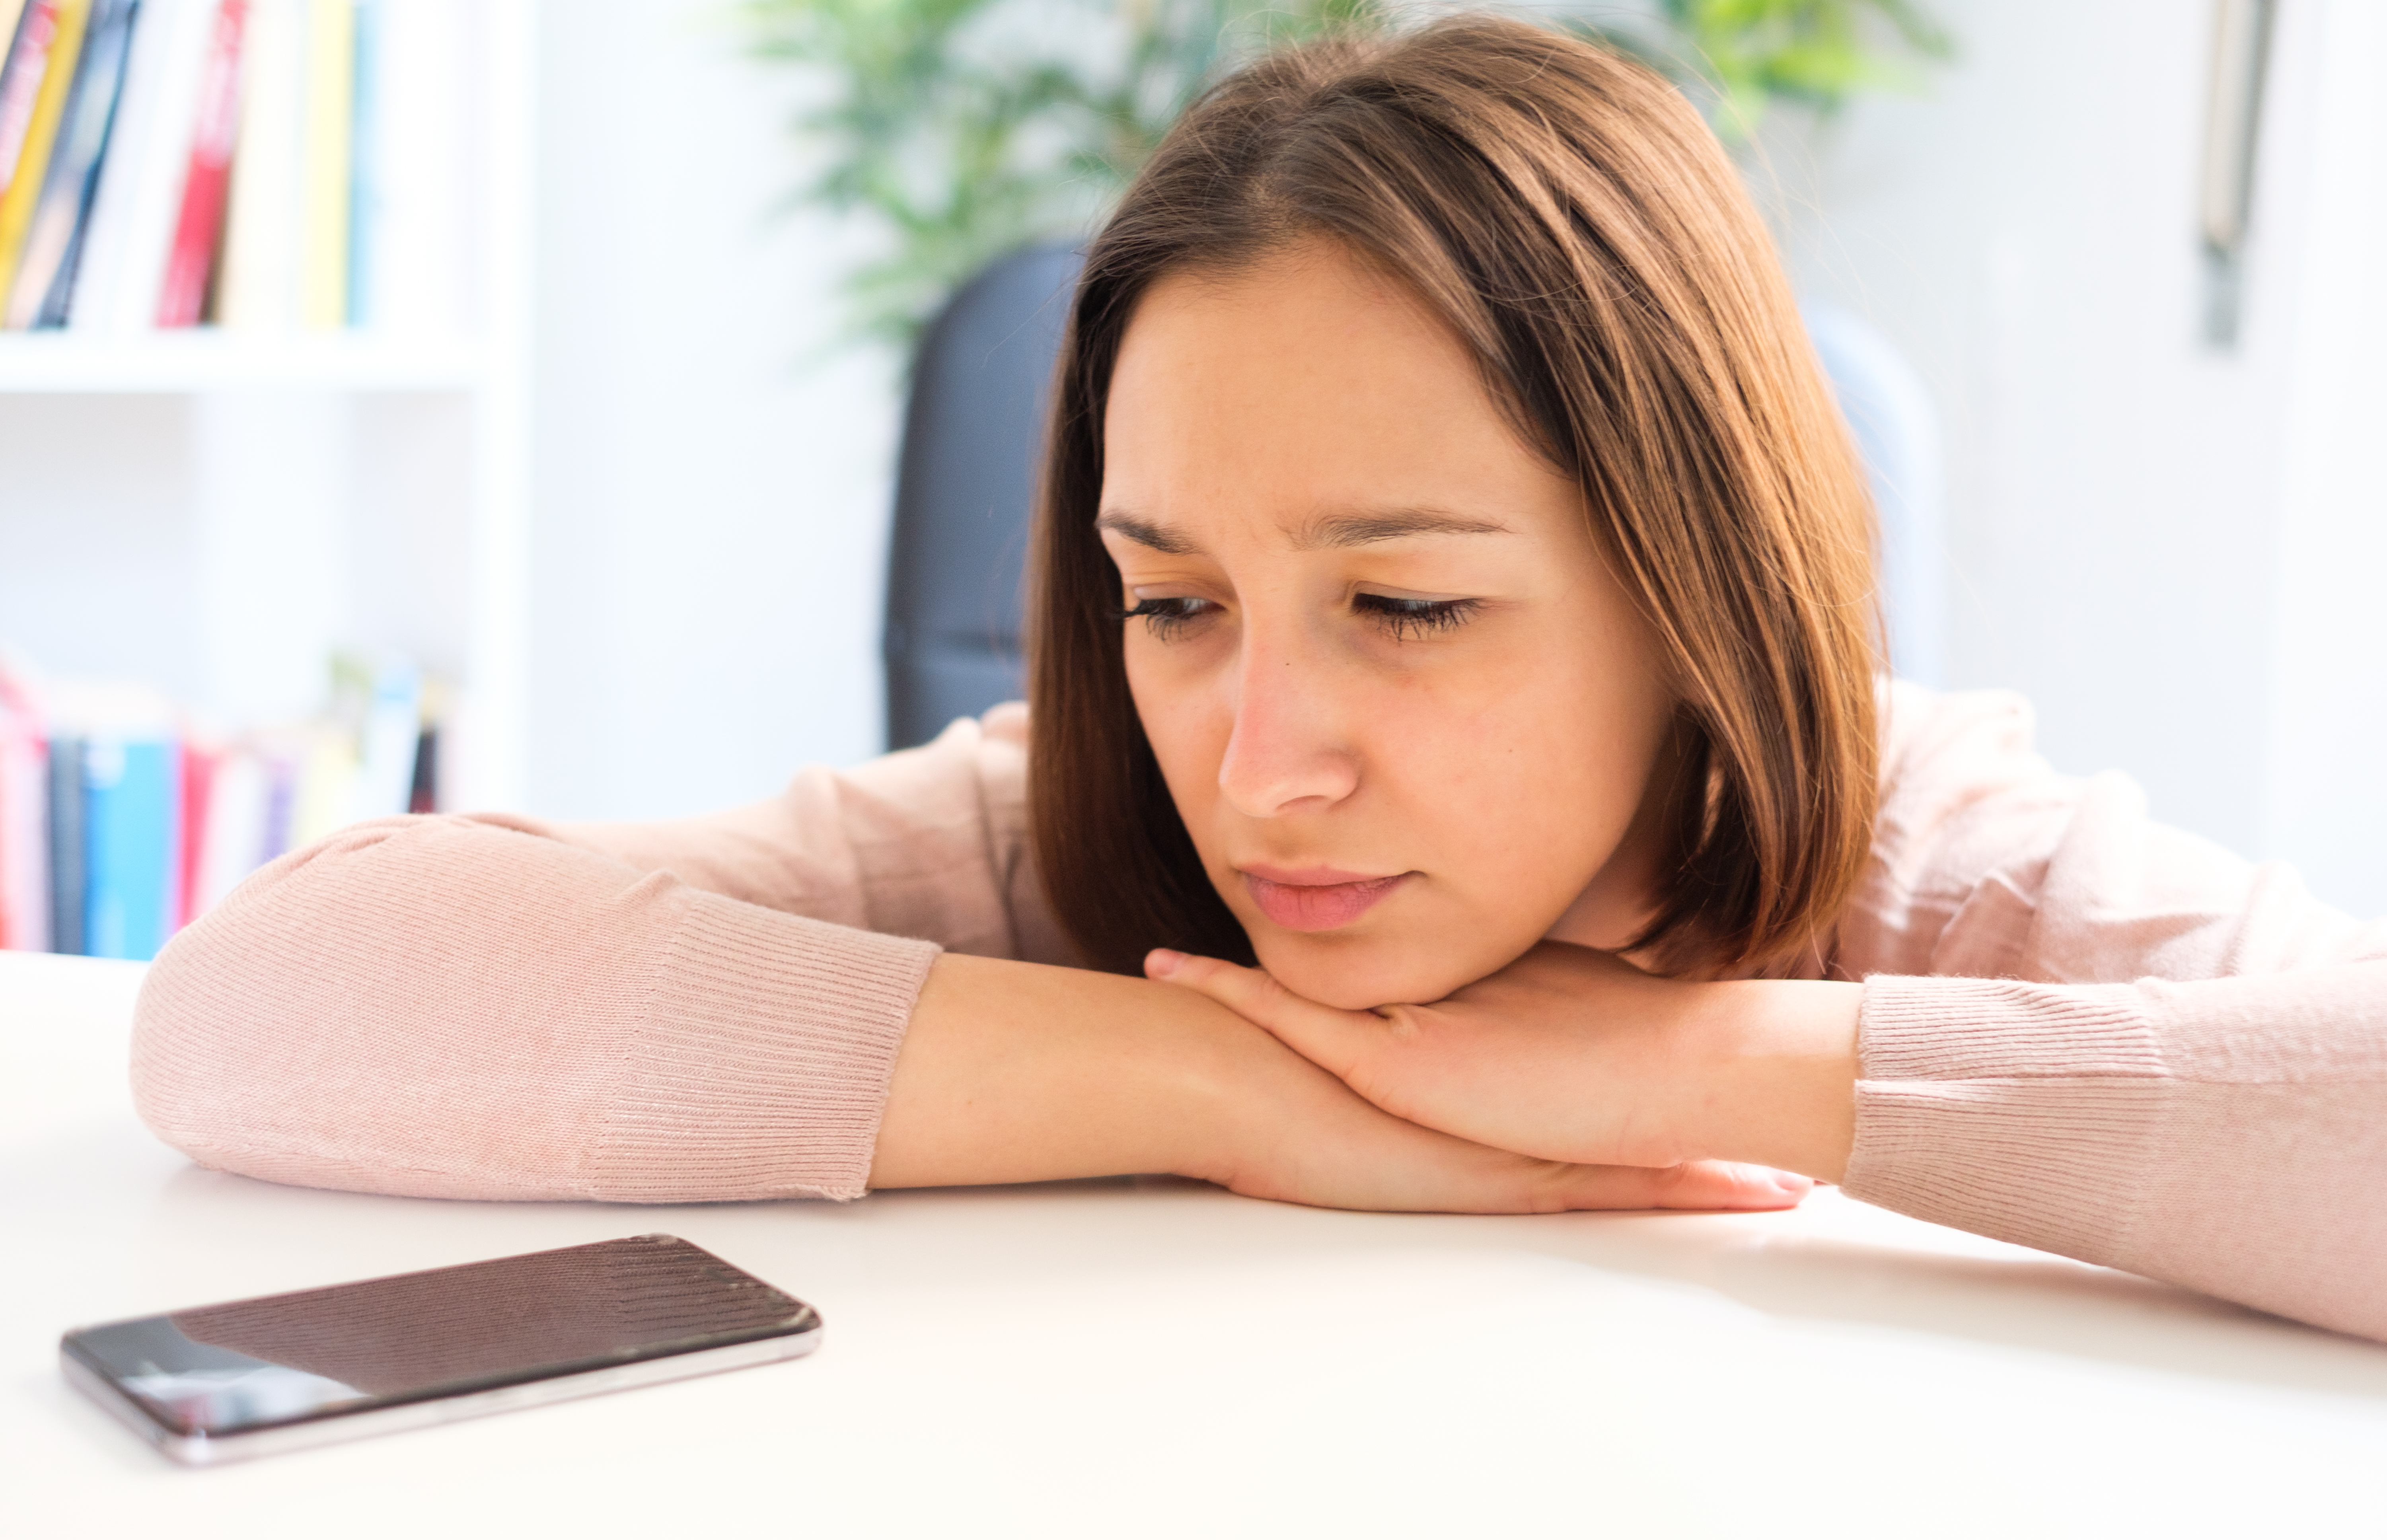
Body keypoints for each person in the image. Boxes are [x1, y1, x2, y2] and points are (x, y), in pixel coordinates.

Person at [132, 16, 2387, 1342]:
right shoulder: (1070, 827)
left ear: (1694, 596)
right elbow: (265, 997)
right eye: (1175, 597)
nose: (1259, 766)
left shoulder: (1941, 864)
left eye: (1405, 609)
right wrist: (1232, 1089)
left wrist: (1698, 1066)